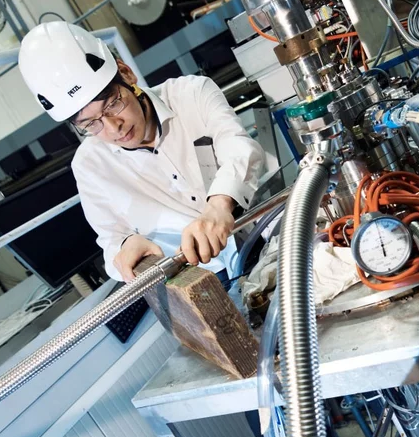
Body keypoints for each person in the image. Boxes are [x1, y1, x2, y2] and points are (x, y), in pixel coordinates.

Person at [18, 21, 266, 282]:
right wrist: (127, 244)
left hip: (258, 229)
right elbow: (111, 238)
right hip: (200, 276)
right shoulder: (90, 165)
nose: (113, 128)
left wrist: (219, 205)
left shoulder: (191, 93)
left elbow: (239, 148)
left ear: (126, 74)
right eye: (91, 123)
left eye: (113, 104)